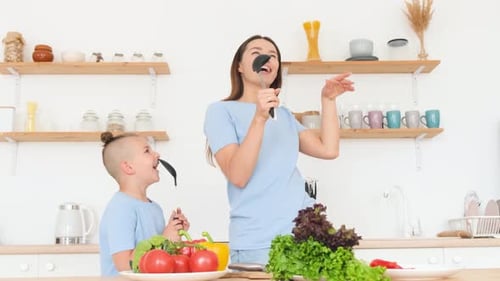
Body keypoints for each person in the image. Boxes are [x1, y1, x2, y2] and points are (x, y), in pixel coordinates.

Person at [203, 35, 354, 265]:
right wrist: (259, 117)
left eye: (273, 55)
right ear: (240, 67)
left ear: (276, 70)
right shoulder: (220, 112)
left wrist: (328, 100)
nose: (266, 57)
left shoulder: (284, 115)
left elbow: (329, 149)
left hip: (304, 237)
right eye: (256, 52)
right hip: (258, 243)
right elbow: (238, 175)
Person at [99, 132, 189, 276]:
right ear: (128, 167)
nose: (157, 154)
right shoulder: (120, 209)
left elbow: (158, 258)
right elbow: (124, 265)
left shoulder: (155, 208)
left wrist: (173, 234)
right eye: (147, 151)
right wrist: (165, 238)